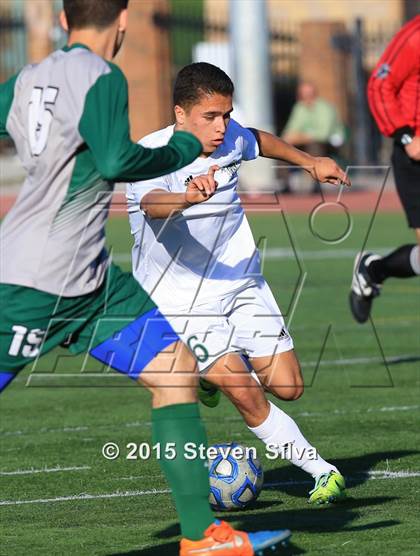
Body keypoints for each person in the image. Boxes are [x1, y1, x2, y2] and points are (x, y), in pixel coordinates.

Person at [0, 3, 289, 555]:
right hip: (32, 280)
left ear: (64, 21)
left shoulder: (29, 79)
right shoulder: (102, 77)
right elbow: (113, 161)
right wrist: (183, 148)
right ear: (124, 21)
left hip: (90, 277)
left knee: (177, 370)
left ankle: (202, 538)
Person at [127, 63, 349, 507]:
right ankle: (321, 470)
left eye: (226, 114)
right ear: (180, 114)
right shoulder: (150, 156)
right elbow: (152, 204)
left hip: (241, 281)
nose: (222, 126)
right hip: (182, 298)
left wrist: (309, 162)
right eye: (211, 116)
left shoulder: (231, 136)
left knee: (288, 387)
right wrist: (187, 197)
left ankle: (208, 374)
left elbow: (259, 139)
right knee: (247, 392)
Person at [350, 15, 420, 323]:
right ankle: (374, 269)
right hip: (414, 154)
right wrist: (405, 136)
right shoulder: (414, 36)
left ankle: (374, 270)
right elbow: (380, 85)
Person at [281, 81, 344, 193]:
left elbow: (323, 134)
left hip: (329, 143)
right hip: (305, 142)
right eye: (303, 94)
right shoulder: (299, 108)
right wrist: (289, 140)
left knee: (314, 147)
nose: (306, 97)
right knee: (281, 148)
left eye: (309, 94)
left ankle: (315, 183)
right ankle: (285, 184)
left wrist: (301, 136)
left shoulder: (325, 107)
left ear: (315, 93)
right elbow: (290, 131)